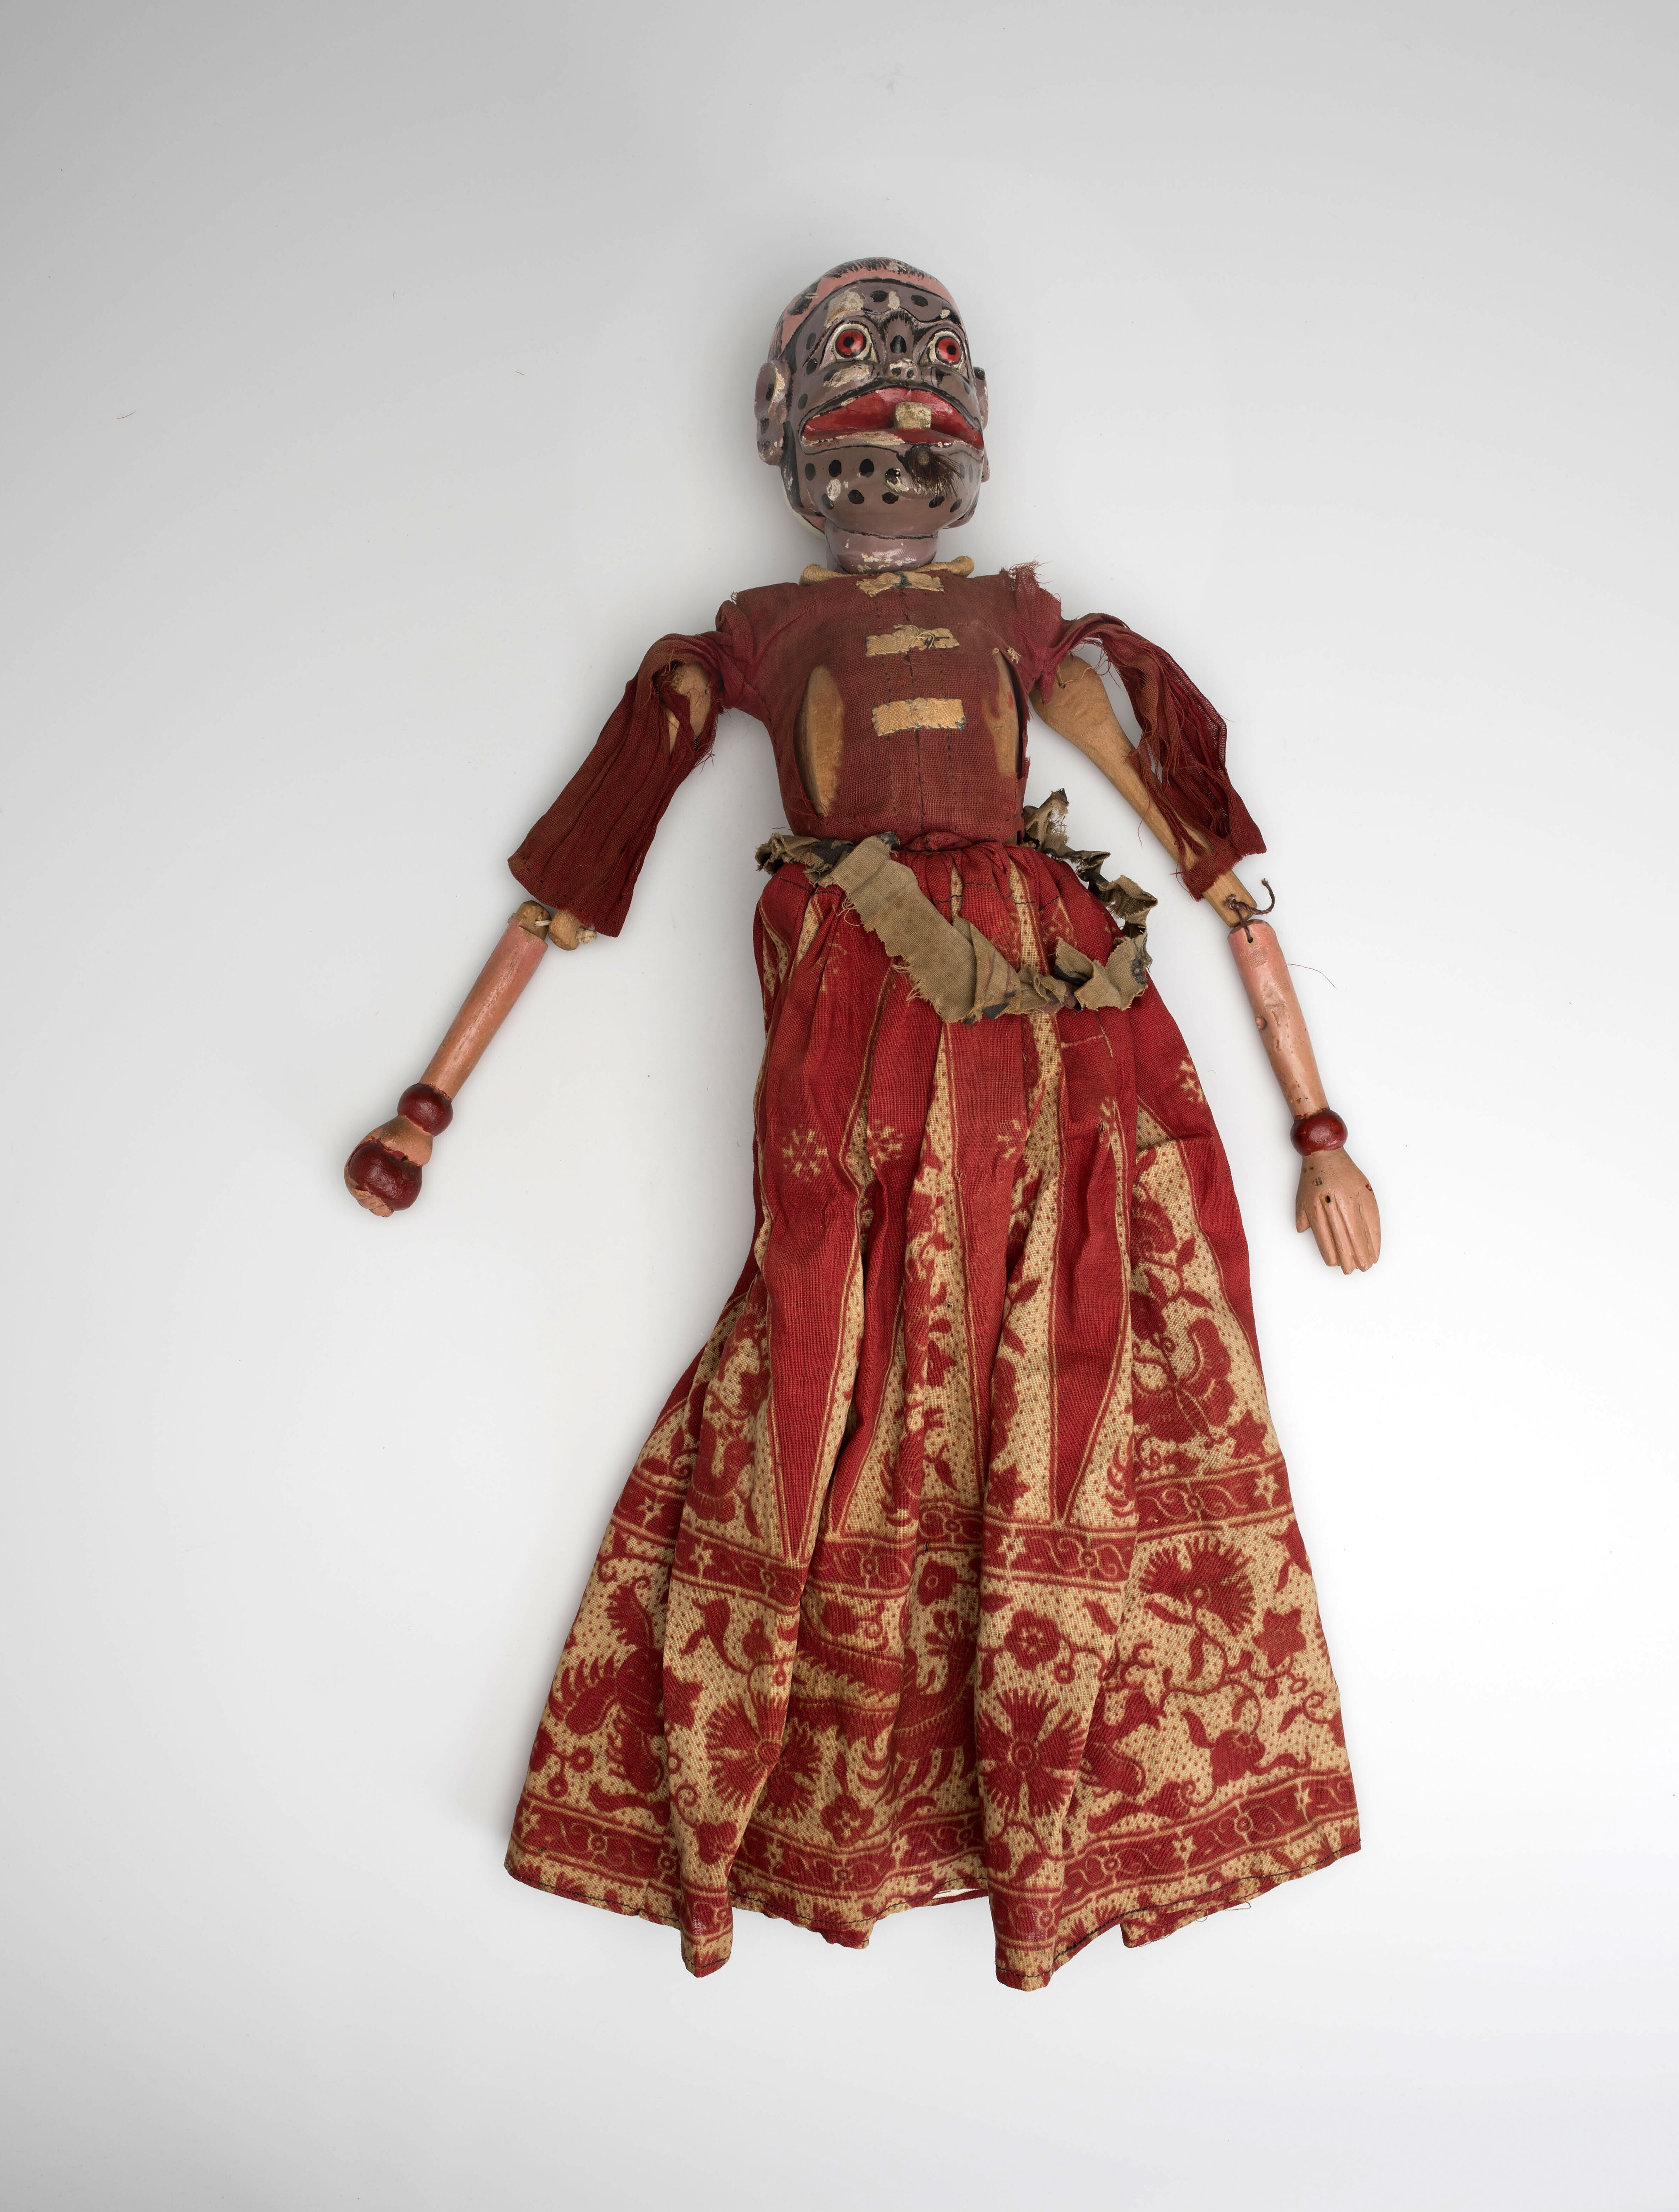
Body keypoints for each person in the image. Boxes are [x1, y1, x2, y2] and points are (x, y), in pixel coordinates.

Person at [345, 258, 1380, 1991]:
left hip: (1065, 1002)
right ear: (796, 459)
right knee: (842, 1322)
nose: (890, 476)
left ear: (967, 454)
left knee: (1089, 1321)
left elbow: (1204, 859)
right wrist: (428, 1105)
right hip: (861, 989)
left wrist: (1319, 1123)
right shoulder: (750, 637)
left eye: (919, 442)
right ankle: (816, 1775)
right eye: (854, 444)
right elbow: (577, 876)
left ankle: (1060, 1768)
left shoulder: (1028, 628)